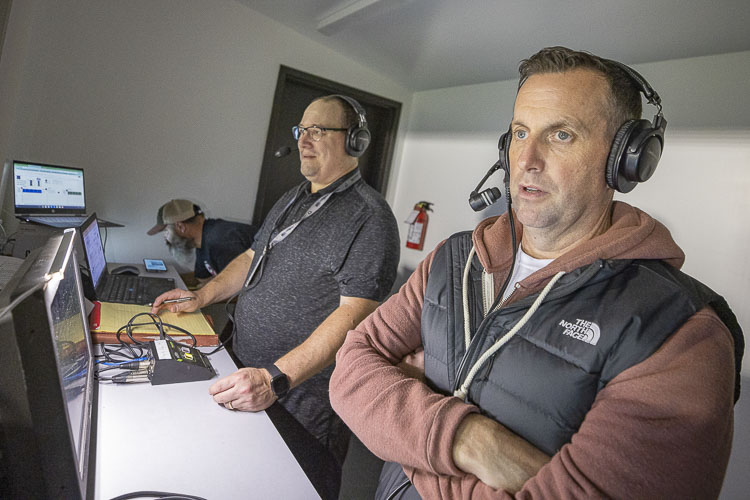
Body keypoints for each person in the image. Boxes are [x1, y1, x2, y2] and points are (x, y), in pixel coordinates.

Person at [329, 47, 744, 499]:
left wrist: (408, 433)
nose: (525, 160)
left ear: (625, 161)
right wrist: (472, 441)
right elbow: (351, 368)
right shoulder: (453, 258)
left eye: (561, 135)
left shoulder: (680, 332)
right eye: (520, 132)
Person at [151, 95, 400, 491]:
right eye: (302, 129)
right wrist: (202, 296)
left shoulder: (371, 219)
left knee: (291, 487)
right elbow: (251, 257)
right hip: (243, 369)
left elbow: (354, 317)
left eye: (319, 130)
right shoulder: (293, 197)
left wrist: (276, 379)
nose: (304, 139)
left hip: (301, 396)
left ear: (354, 141)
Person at [147, 199, 257, 284]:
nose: (165, 238)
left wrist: (194, 297)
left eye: (165, 231)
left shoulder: (219, 240)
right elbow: (201, 278)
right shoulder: (201, 240)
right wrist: (165, 281)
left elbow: (238, 290)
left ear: (180, 227)